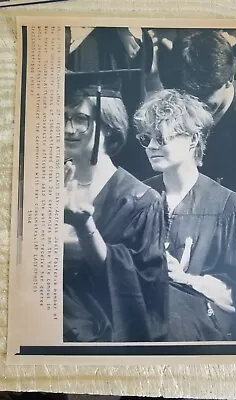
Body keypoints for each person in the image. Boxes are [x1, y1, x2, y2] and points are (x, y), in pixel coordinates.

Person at [134, 89, 236, 341]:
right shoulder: (137, 197)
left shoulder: (228, 206)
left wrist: (185, 280)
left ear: (193, 139)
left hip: (200, 334)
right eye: (146, 139)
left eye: (161, 138)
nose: (152, 146)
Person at [63, 71, 169, 343]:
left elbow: (138, 293)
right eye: (62, 118)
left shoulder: (142, 200)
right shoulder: (43, 185)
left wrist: (84, 228)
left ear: (108, 126)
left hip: (103, 329)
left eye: (80, 119)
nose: (68, 128)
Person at [165, 30, 236, 257]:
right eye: (191, 98)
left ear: (230, 78)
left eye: (208, 102)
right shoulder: (179, 109)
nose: (197, 111)